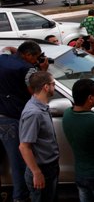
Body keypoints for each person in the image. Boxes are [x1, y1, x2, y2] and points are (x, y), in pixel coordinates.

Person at [0, 40, 48, 202]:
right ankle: (20, 197)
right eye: (36, 57)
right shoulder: (27, 69)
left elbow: (6, 48)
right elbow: (34, 90)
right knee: (18, 163)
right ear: (28, 55)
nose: (37, 60)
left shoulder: (3, 59)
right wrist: (42, 71)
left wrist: (16, 51)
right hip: (11, 119)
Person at [19, 72, 59, 202]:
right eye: (53, 84)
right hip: (42, 169)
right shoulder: (34, 113)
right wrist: (36, 173)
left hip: (50, 167)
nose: (55, 87)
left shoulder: (41, 107)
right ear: (46, 87)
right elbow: (24, 147)